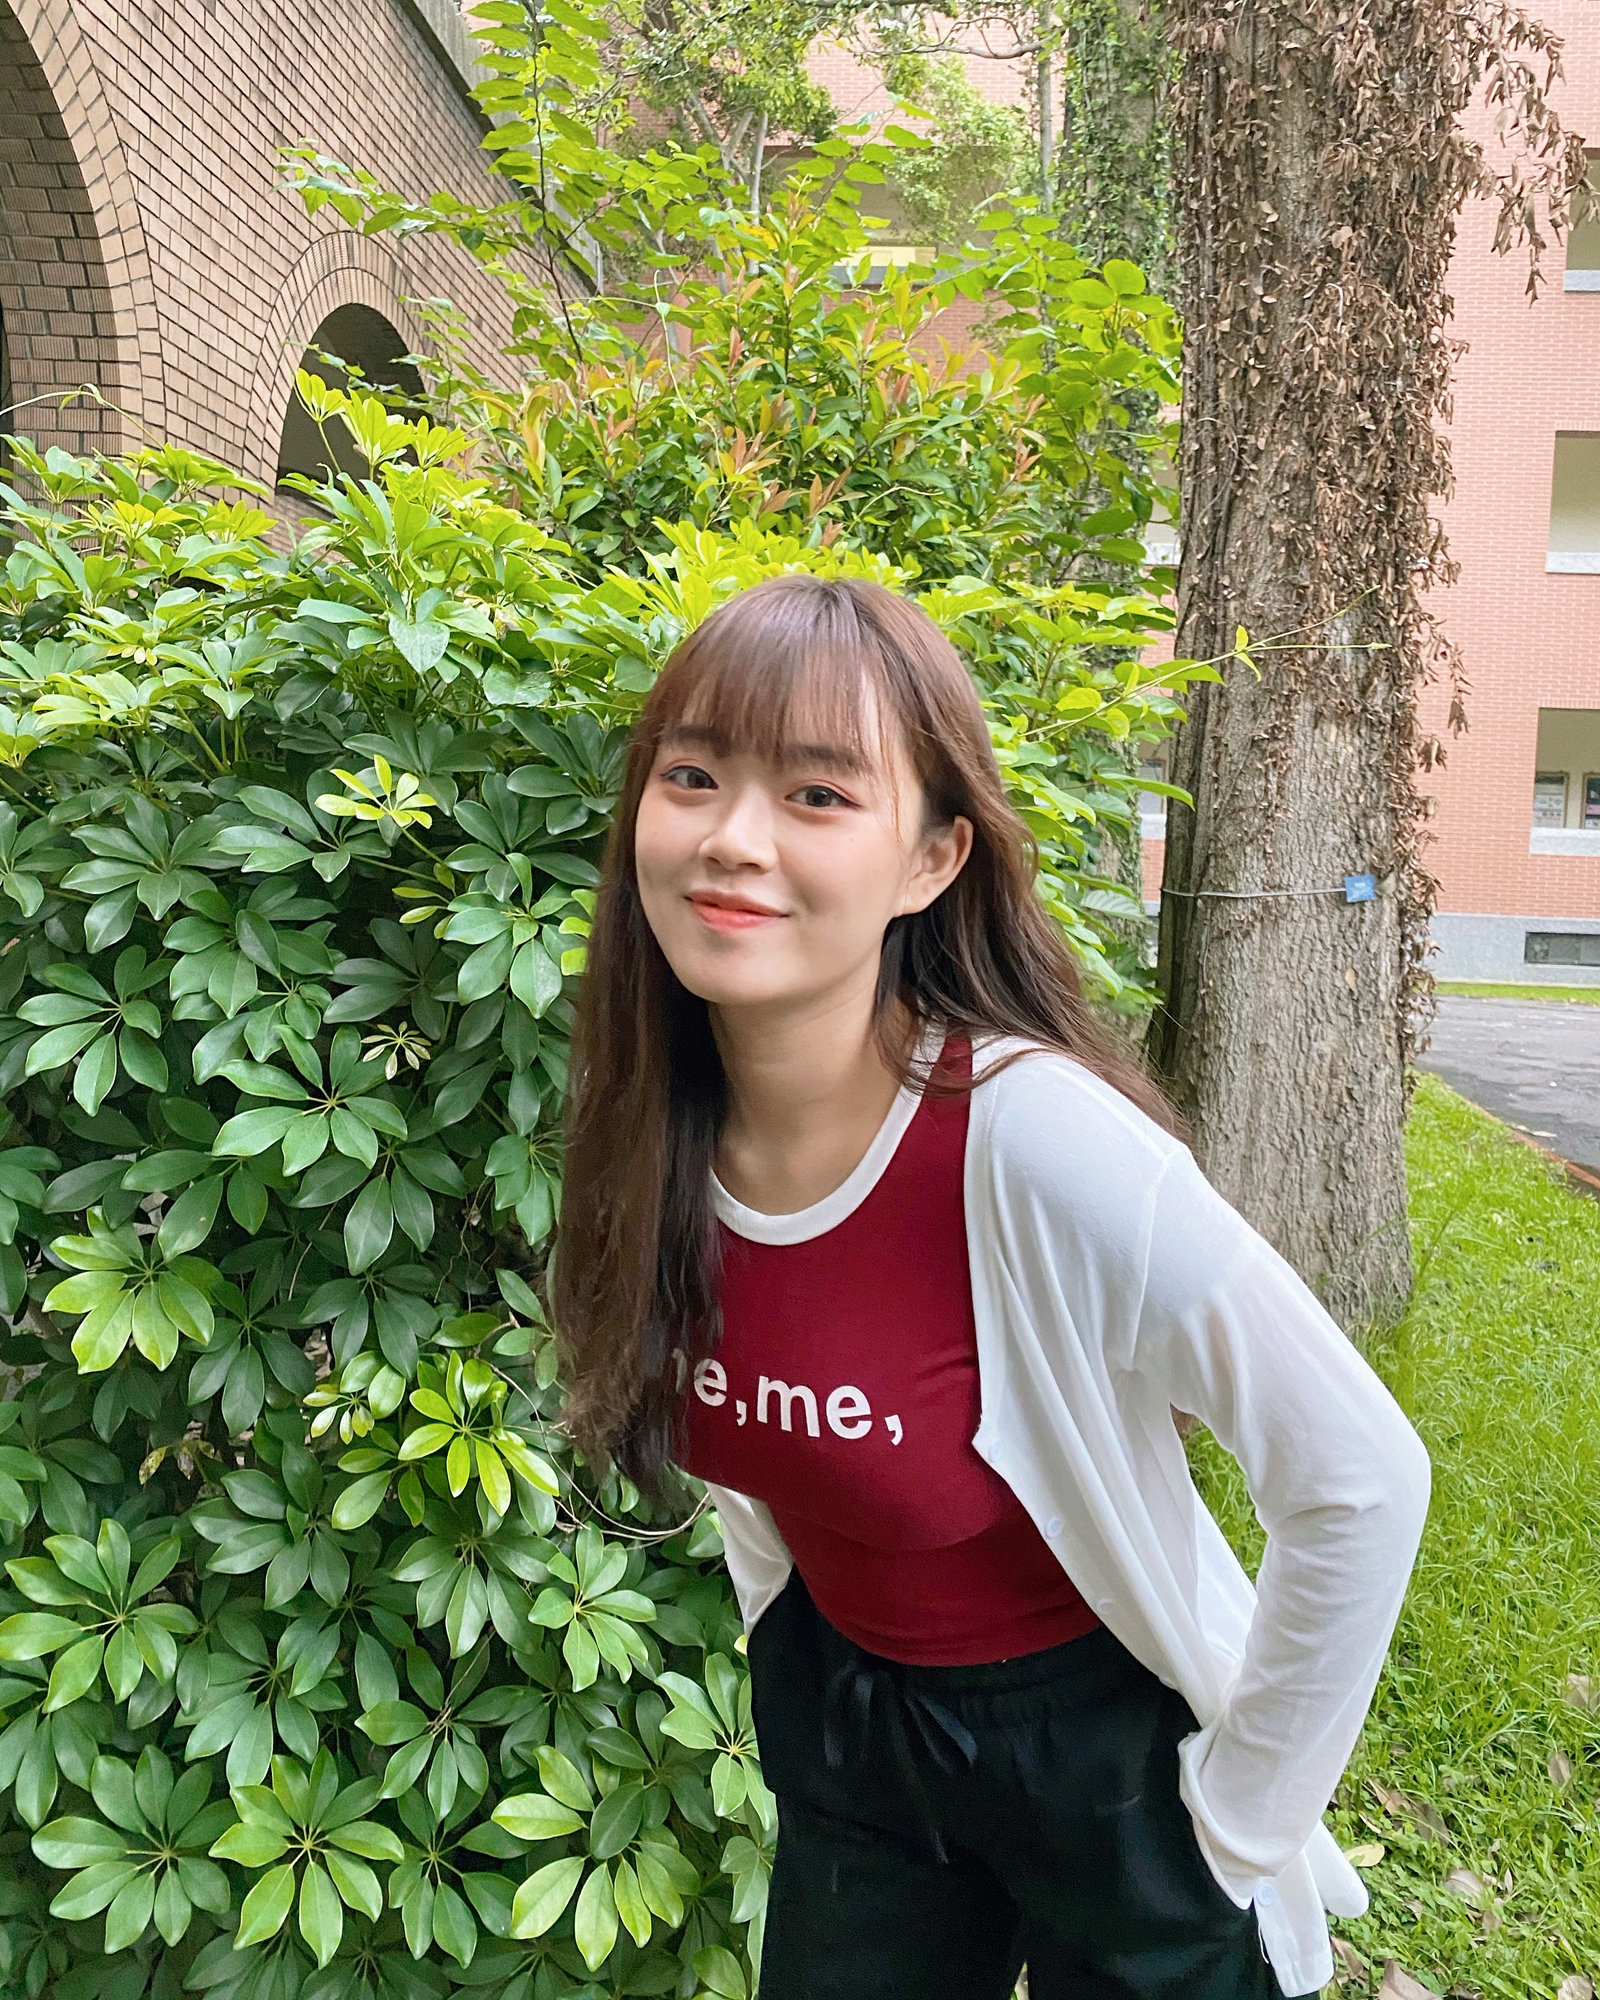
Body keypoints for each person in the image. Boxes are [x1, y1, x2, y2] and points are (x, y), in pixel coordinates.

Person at [554, 574, 1431, 2000]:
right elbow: (764, 1465)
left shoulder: (1029, 1140)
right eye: (692, 775)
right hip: (858, 1739)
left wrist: (1229, 1837)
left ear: (932, 857)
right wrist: (787, 1644)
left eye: (818, 795)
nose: (732, 838)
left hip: (1104, 1763)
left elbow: (1363, 1479)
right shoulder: (657, 1132)